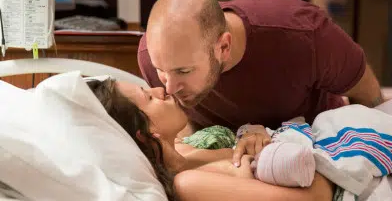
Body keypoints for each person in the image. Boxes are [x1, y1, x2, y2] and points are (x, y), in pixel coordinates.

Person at [137, 0, 384, 166]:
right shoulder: (153, 57)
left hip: (319, 147)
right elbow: (183, 134)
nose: (168, 87)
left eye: (183, 71)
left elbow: (368, 94)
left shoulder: (303, 37)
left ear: (223, 47)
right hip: (235, 157)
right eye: (162, 70)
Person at [86, 78, 335, 201]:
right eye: (149, 98)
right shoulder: (188, 184)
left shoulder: (186, 145)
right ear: (146, 133)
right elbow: (318, 197)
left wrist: (258, 137)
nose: (160, 89)